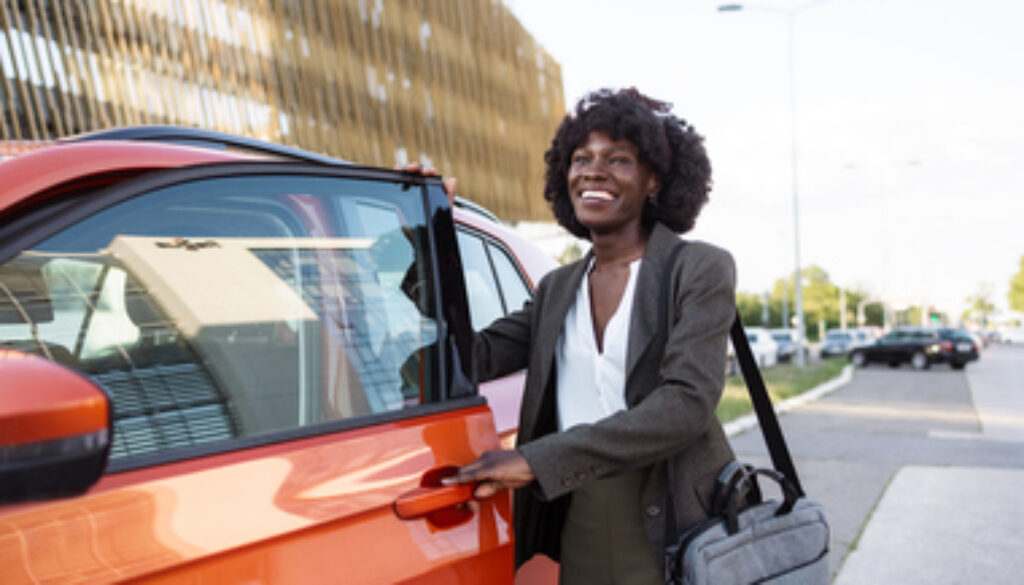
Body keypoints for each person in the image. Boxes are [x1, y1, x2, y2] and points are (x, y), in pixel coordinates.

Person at [444, 87, 737, 584]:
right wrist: (430, 228)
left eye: (618, 159)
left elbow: (686, 404)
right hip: (579, 512)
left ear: (655, 180)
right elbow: (470, 357)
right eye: (581, 159)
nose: (593, 172)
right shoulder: (558, 288)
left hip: (672, 518)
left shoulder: (698, 268)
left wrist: (537, 460)